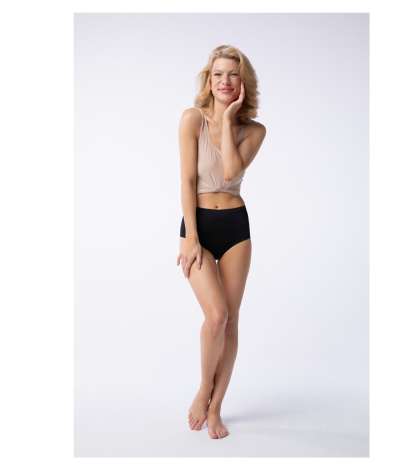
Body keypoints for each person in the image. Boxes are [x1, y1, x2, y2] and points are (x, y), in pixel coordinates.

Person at [176, 45, 267, 439]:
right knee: (215, 316)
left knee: (230, 321)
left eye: (232, 74)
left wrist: (229, 118)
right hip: (198, 225)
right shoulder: (191, 119)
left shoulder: (254, 130)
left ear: (243, 82)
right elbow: (186, 181)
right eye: (218, 74)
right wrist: (190, 238)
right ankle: (203, 390)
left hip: (235, 226)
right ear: (208, 79)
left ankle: (216, 408)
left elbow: (230, 171)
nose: (224, 81)